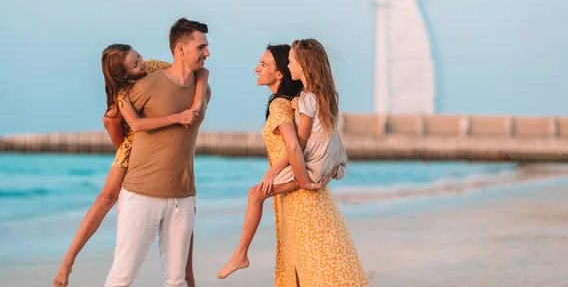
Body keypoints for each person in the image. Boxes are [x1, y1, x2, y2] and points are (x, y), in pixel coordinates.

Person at [52, 43, 208, 287]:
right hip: (133, 144)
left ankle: (187, 276)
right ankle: (68, 260)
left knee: (182, 201)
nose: (142, 63)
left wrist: (196, 106)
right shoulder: (122, 93)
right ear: (124, 75)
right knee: (105, 199)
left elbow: (199, 73)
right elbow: (122, 125)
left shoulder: (155, 68)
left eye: (139, 56)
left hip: (161, 149)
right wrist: (133, 151)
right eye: (135, 64)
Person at [222, 40, 369, 285]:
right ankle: (240, 254)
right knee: (315, 269)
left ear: (280, 73)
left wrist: (296, 179)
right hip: (307, 191)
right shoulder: (304, 100)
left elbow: (295, 145)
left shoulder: (281, 106)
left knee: (312, 271)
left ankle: (240, 254)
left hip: (303, 197)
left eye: (263, 64)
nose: (256, 68)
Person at [104, 18, 211, 287]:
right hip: (140, 195)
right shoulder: (146, 85)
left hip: (183, 197)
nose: (207, 53)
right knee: (122, 277)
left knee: (177, 281)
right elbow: (113, 119)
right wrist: (125, 150)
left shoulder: (203, 88)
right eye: (201, 47)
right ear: (180, 49)